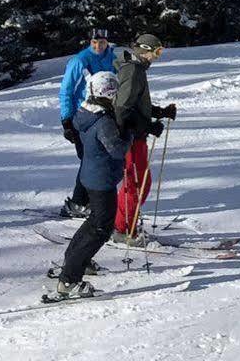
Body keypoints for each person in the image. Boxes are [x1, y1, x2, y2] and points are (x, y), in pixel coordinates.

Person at [46, 70, 131, 300]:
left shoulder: (85, 111)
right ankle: (69, 280)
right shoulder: (103, 120)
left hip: (91, 175)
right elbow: (117, 149)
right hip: (101, 179)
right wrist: (129, 133)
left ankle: (74, 261)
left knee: (94, 223)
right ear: (108, 93)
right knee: (101, 228)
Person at [112, 33, 177, 240]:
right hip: (129, 138)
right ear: (144, 50)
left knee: (142, 183)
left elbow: (137, 104)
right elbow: (122, 109)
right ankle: (122, 229)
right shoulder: (132, 70)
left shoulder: (137, 69)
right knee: (135, 185)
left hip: (137, 136)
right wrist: (147, 126)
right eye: (156, 52)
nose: (157, 57)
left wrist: (160, 112)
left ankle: (124, 222)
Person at [56, 28, 118, 218]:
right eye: (94, 43)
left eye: (102, 42)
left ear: (107, 42)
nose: (98, 46)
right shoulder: (80, 60)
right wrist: (66, 121)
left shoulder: (113, 58)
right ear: (89, 42)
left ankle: (89, 200)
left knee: (100, 158)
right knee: (89, 159)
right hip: (83, 116)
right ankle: (79, 202)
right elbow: (65, 91)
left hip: (106, 113)